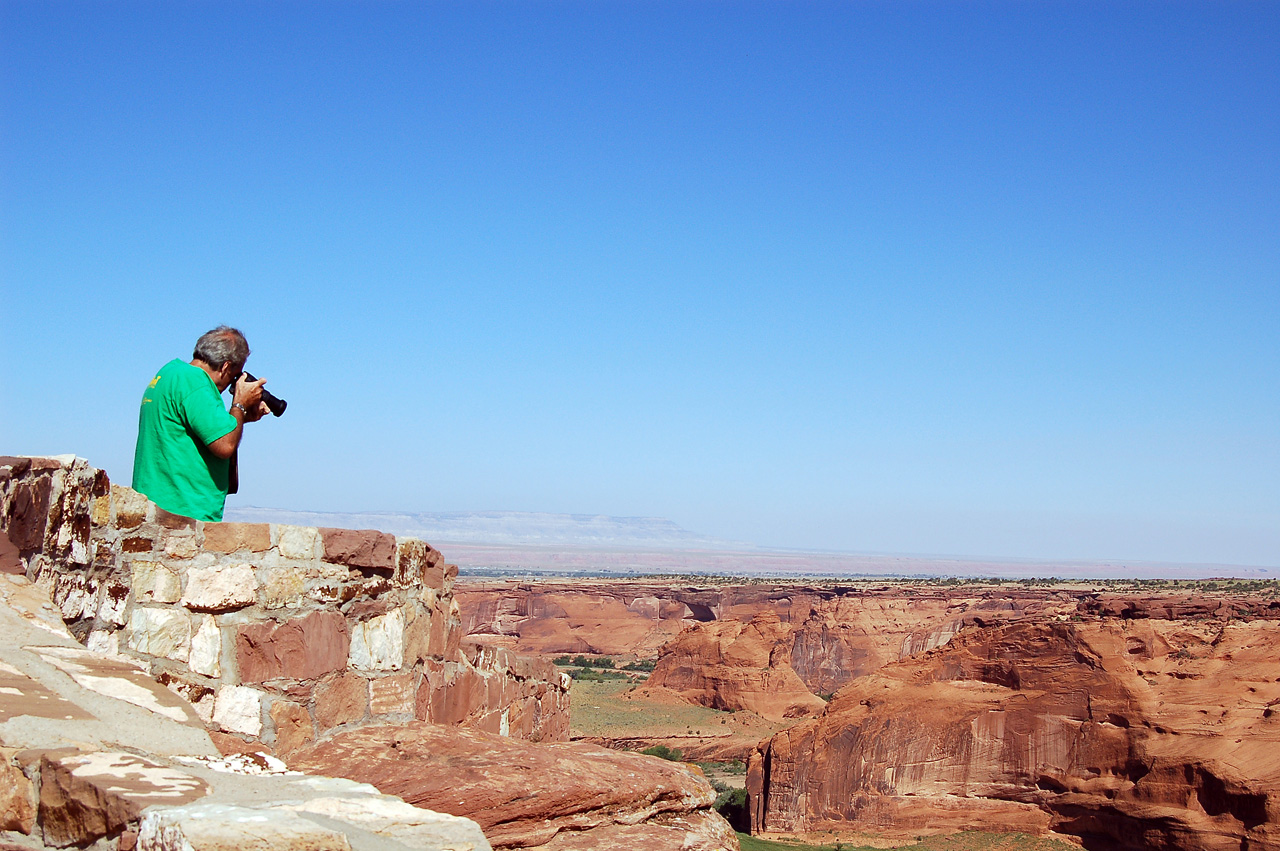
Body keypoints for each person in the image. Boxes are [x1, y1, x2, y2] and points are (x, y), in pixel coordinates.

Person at [132, 326, 269, 522]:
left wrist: (241, 416)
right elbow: (224, 444)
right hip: (183, 512)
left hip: (158, 505)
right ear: (225, 367)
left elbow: (196, 429)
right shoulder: (196, 382)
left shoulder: (170, 373)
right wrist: (240, 404)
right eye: (234, 376)